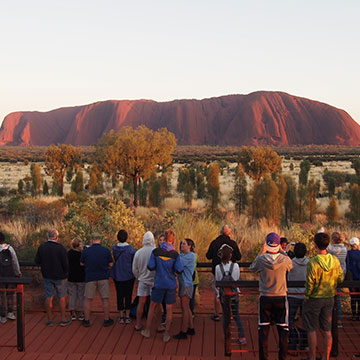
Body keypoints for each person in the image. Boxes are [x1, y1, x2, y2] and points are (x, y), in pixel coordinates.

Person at [250, 232, 293, 360]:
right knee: (283, 330)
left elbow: (252, 268)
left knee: (263, 330)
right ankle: (282, 357)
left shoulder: (261, 260)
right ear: (278, 245)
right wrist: (283, 251)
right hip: (280, 297)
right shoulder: (285, 259)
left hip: (265, 297)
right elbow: (290, 266)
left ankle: (264, 357)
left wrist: (261, 252)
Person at [302, 232, 343, 360]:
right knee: (327, 329)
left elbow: (310, 283)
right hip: (330, 297)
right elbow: (340, 277)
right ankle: (326, 356)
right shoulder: (335, 260)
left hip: (314, 298)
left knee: (311, 329)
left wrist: (307, 296)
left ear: (315, 245)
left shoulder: (313, 262)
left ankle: (312, 357)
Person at [141, 229, 183, 343]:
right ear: (173, 240)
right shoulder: (175, 254)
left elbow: (150, 266)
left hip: (159, 282)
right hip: (170, 284)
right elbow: (179, 269)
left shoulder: (156, 252)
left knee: (152, 306)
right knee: (169, 308)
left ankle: (147, 330)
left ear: (164, 238)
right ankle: (166, 334)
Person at [34, 229, 70, 327]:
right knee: (62, 297)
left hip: (47, 275)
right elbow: (65, 263)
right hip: (60, 276)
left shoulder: (42, 247)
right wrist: (66, 272)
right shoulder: (61, 248)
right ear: (57, 237)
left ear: (48, 236)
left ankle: (49, 319)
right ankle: (63, 318)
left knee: (48, 296)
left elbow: (37, 261)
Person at [206, 225, 241, 321]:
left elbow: (208, 256)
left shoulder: (214, 243)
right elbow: (238, 257)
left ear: (220, 232)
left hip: (217, 271)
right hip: (231, 271)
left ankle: (217, 314)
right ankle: (230, 314)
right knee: (230, 293)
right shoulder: (233, 243)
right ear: (229, 233)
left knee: (218, 293)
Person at [80, 233, 114, 327]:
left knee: (88, 299)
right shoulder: (106, 251)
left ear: (91, 240)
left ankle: (86, 320)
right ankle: (106, 319)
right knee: (105, 299)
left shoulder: (86, 251)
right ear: (100, 240)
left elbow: (81, 263)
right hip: (103, 277)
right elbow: (111, 264)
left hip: (90, 277)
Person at [216, 243, 246, 345]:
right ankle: (242, 336)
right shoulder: (236, 266)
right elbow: (237, 278)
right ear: (230, 255)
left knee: (225, 315)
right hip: (234, 294)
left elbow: (218, 281)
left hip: (223, 295)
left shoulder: (218, 267)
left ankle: (226, 336)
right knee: (236, 314)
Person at [132, 231, 156, 331]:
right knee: (155, 304)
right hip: (154, 281)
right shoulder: (156, 252)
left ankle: (138, 324)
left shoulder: (138, 252)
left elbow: (134, 269)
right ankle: (156, 325)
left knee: (141, 303)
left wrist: (139, 277)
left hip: (142, 281)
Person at [287, 243, 309, 351]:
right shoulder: (309, 263)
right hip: (305, 295)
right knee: (306, 320)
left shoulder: (290, 263)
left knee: (290, 319)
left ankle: (292, 341)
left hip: (292, 294)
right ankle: (305, 343)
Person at [111, 229, 135, 324]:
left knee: (119, 295)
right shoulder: (130, 249)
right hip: (129, 275)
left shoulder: (114, 248)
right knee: (128, 295)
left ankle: (121, 316)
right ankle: (127, 316)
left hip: (117, 275)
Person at [173, 238, 196, 340]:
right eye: (181, 243)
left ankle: (183, 331)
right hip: (184, 283)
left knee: (185, 308)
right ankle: (191, 327)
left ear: (190, 246)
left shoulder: (190, 256)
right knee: (186, 307)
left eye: (184, 244)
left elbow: (178, 263)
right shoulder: (182, 255)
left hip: (187, 284)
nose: (182, 245)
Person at [0, 231, 21, 324]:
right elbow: (15, 262)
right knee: (11, 294)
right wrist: (18, 273)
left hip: (0, 276)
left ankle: (2, 315)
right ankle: (10, 312)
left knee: (1, 296)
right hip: (10, 274)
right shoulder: (10, 248)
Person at [327, 231, 347, 328]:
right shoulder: (344, 249)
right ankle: (338, 319)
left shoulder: (332, 249)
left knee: (329, 298)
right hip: (341, 275)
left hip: (331, 276)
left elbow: (326, 246)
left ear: (333, 239)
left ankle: (329, 319)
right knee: (338, 297)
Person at [67, 238, 85, 321]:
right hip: (81, 278)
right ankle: (81, 313)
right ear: (78, 246)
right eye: (81, 244)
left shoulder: (68, 253)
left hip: (71, 277)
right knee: (81, 296)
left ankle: (73, 312)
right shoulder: (82, 255)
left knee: (72, 295)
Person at [346, 237, 360, 321]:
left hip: (351, 279)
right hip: (359, 278)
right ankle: (359, 315)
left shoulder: (348, 253)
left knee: (353, 297)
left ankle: (354, 314)